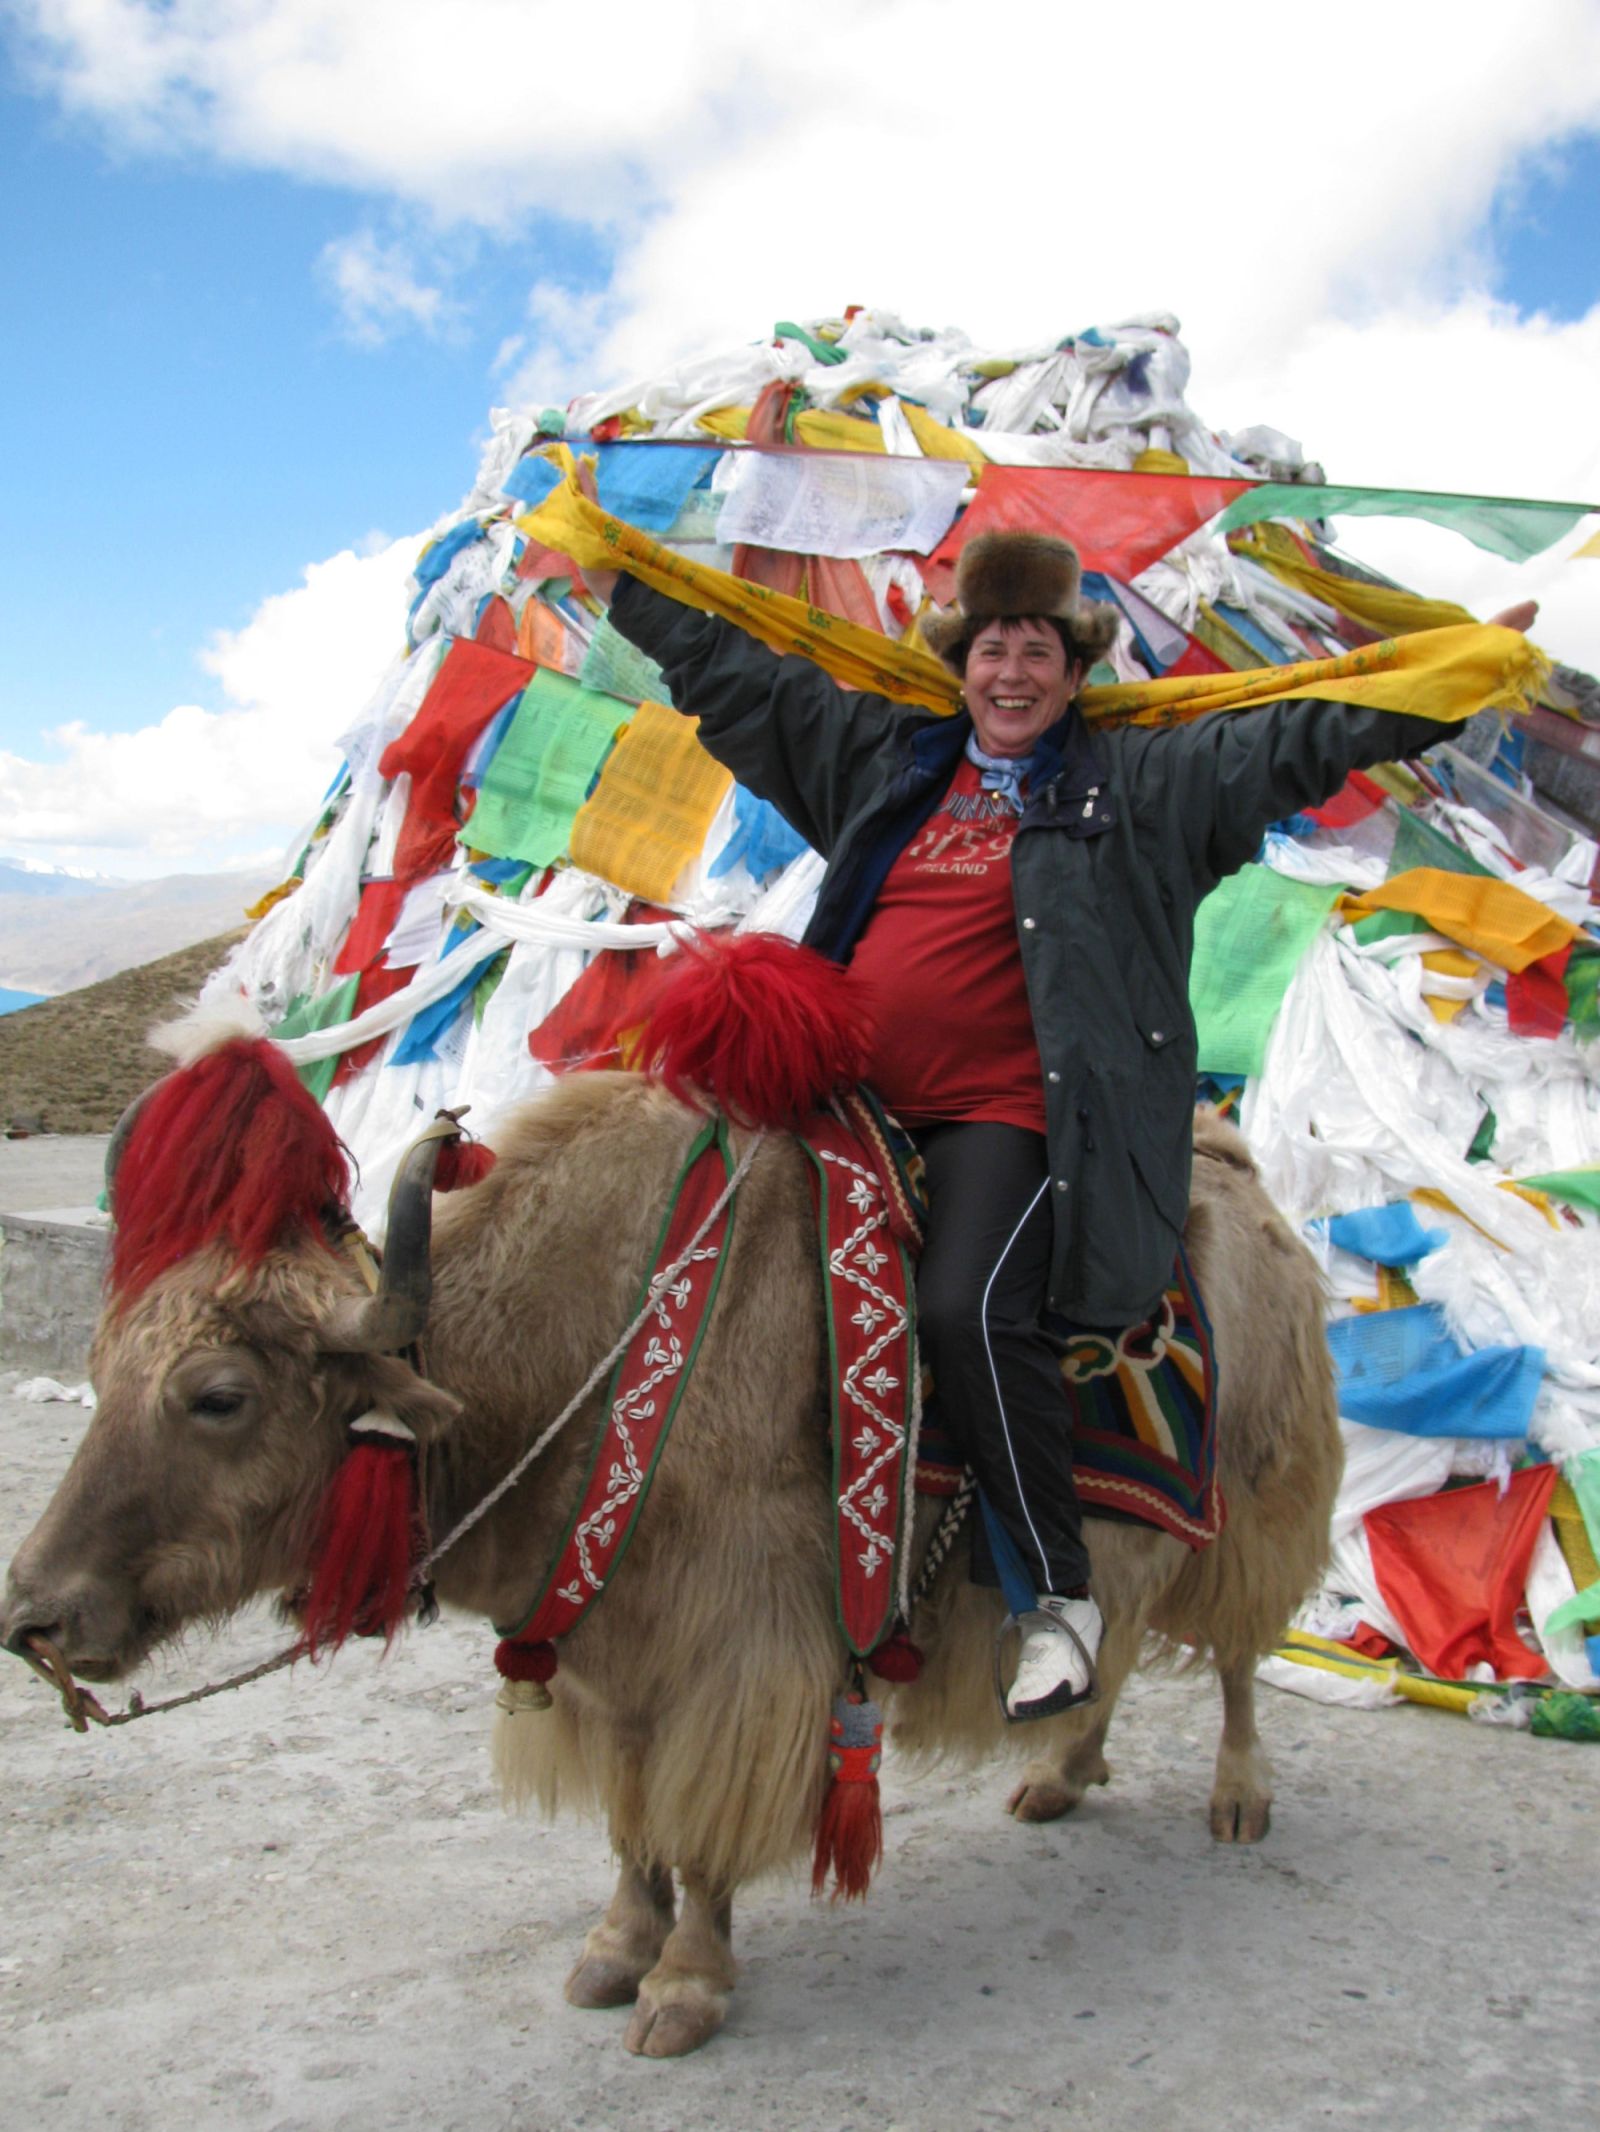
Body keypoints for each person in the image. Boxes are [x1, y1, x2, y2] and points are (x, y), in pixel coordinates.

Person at [580, 520, 1535, 1721]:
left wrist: (1443, 688)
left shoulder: (1144, 787)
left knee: (964, 1303)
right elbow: (745, 683)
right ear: (961, 665)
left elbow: (1293, 739)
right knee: (697, 1249)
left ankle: (1054, 1598)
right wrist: (619, 582)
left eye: (1037, 649)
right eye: (991, 649)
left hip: (1019, 1119)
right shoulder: (893, 760)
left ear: (1076, 671)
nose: (1012, 672)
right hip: (850, 1103)